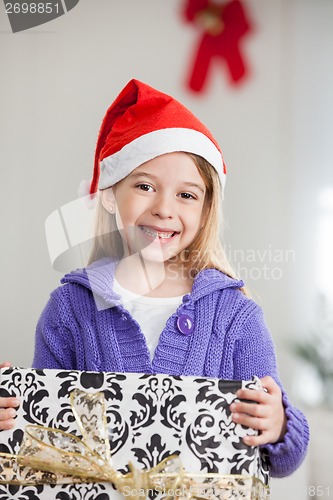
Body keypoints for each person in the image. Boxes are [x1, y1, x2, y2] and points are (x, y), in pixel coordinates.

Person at [0, 79, 309, 478]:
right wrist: (11, 418)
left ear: (204, 210)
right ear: (110, 194)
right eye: (145, 186)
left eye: (186, 195)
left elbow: (282, 459)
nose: (164, 209)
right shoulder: (70, 310)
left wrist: (279, 425)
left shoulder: (236, 315)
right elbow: (43, 449)